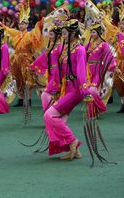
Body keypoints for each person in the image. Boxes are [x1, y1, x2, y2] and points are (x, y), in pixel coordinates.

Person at [43, 19, 89, 160]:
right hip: (66, 88)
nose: (62, 36)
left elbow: (81, 72)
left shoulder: (80, 50)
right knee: (60, 120)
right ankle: (74, 150)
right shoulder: (66, 49)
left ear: (73, 33)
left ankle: (72, 141)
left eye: (64, 33)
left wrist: (85, 92)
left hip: (75, 90)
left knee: (49, 115)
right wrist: (57, 88)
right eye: (62, 33)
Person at [30, 25, 64, 112]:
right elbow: (43, 57)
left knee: (45, 94)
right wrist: (33, 65)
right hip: (51, 73)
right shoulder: (52, 46)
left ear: (57, 36)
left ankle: (50, 113)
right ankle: (54, 114)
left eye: (51, 34)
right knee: (53, 95)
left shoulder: (60, 48)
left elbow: (63, 63)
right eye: (49, 34)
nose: (49, 36)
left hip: (57, 74)